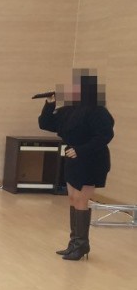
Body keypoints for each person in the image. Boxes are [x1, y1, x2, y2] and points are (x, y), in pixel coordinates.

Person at [38, 71, 114, 261]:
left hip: (91, 158)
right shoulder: (69, 110)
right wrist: (49, 104)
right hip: (73, 157)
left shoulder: (98, 110)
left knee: (81, 199)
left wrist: (81, 150)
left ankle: (81, 245)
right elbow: (46, 124)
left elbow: (105, 136)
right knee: (72, 198)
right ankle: (74, 243)